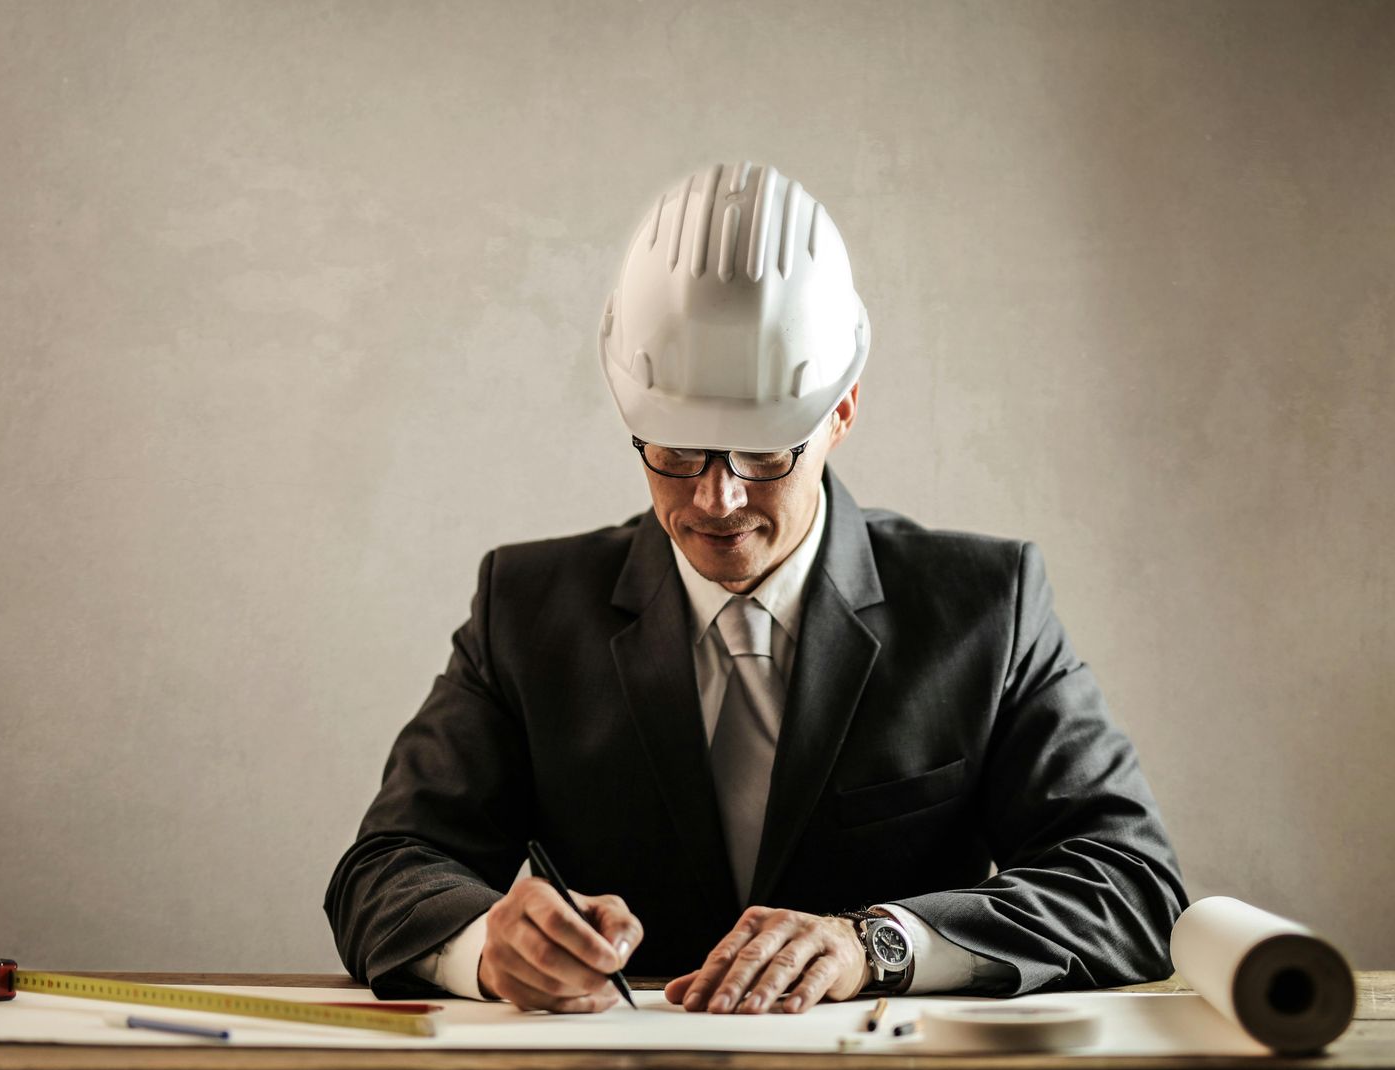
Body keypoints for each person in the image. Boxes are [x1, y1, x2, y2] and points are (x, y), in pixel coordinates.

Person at [325, 160, 1187, 1015]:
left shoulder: (985, 607)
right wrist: (487, 947)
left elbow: (1133, 883)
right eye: (674, 451)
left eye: (765, 454)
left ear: (841, 413)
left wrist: (874, 945)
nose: (716, 499)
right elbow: (384, 871)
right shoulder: (526, 608)